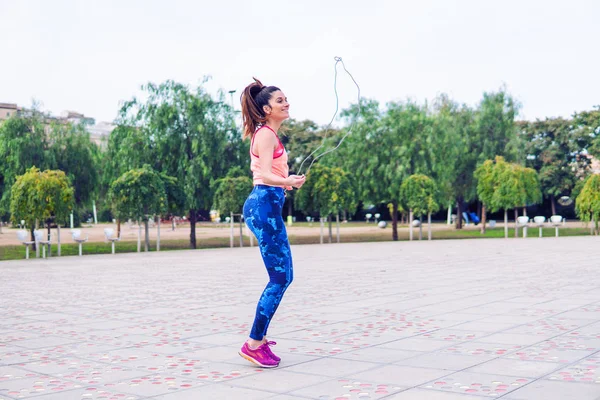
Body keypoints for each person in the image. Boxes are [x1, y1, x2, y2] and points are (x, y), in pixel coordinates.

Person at [238, 78, 306, 368]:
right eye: (280, 101)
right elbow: (264, 175)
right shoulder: (265, 134)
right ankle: (253, 343)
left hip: (267, 203)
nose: (286, 103)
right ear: (266, 109)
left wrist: (285, 184)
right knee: (280, 278)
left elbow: (270, 176)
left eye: (285, 99)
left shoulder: (269, 134)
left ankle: (259, 340)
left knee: (284, 276)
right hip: (263, 205)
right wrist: (285, 180)